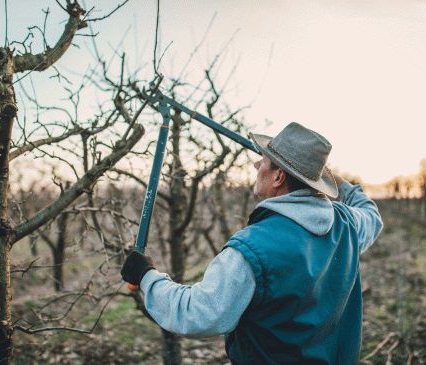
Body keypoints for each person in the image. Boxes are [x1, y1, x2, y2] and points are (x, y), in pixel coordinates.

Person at [121, 122, 383, 364]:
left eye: (264, 160)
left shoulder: (252, 249)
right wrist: (334, 182)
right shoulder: (348, 223)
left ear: (279, 177)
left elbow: (198, 314)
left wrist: (146, 276)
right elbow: (372, 215)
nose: (257, 165)